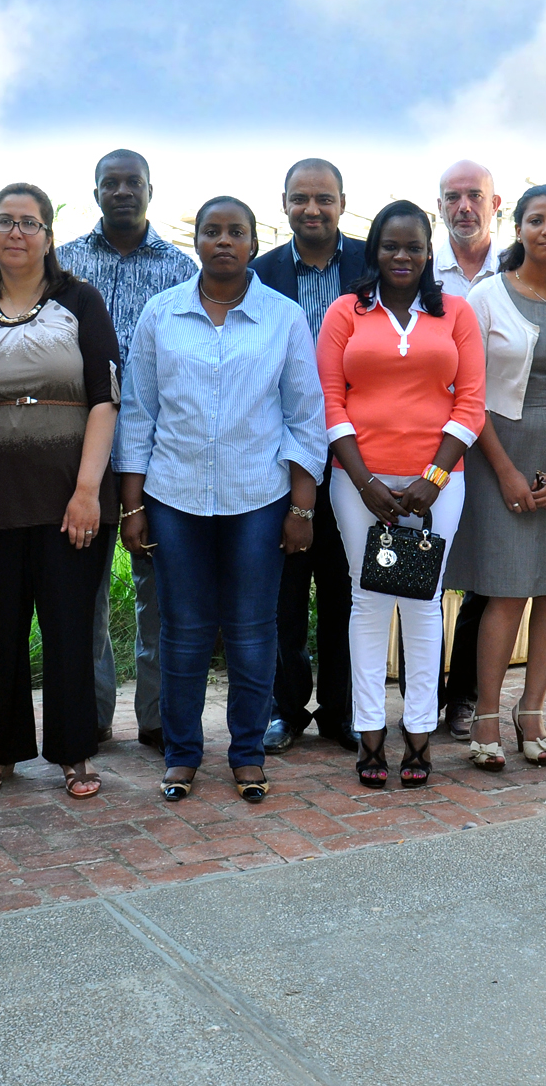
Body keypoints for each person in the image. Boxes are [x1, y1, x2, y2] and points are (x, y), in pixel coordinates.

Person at [118, 196, 325, 803]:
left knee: (253, 631)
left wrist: (301, 507)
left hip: (258, 497)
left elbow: (305, 420)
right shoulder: (162, 316)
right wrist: (132, 506)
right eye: (212, 231)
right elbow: (138, 414)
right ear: (197, 244)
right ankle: (182, 755)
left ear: (255, 244)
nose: (224, 241)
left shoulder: (283, 319)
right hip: (175, 497)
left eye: (237, 232)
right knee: (182, 629)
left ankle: (247, 752)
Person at [0, 184, 121, 800]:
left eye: (30, 222)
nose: (16, 232)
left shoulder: (80, 301)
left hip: (70, 496)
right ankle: (1, 753)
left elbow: (104, 400)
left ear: (48, 234)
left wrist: (88, 490)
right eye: (4, 222)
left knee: (69, 627)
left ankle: (75, 755)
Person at [319, 200, 486, 787]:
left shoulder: (457, 315)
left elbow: (471, 403)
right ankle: (370, 734)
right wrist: (365, 481)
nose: (402, 255)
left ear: (428, 251)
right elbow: (330, 400)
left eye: (413, 245)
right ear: (374, 249)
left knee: (422, 603)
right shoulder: (346, 312)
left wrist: (431, 481)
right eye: (391, 245)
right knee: (367, 602)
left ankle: (419, 733)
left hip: (436, 484)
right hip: (357, 482)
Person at [445, 184, 546, 770]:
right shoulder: (485, 298)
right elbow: (468, 393)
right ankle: (486, 714)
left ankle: (531, 712)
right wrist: (506, 473)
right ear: (517, 228)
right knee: (506, 589)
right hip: (496, 456)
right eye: (536, 220)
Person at [57, 149, 197, 752]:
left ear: (149, 190)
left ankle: (158, 717)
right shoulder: (60, 264)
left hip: (155, 452)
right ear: (94, 193)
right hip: (76, 454)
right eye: (109, 183)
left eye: (131, 183)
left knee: (157, 590)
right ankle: (89, 715)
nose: (121, 192)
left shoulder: (179, 268)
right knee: (82, 591)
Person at [252, 158, 367, 755]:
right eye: (301, 198)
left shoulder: (373, 267)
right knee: (285, 595)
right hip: (281, 460)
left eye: (324, 198)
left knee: (347, 590)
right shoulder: (259, 271)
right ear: (285, 203)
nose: (313, 208)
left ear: (343, 203)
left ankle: (343, 712)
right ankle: (285, 709)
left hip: (358, 460)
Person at [435, 159, 506, 739]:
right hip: (430, 446)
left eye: (474, 196)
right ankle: (425, 696)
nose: (464, 207)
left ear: (495, 203)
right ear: (440, 206)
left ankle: (462, 697)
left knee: (484, 577)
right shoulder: (415, 271)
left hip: (496, 445)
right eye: (453, 197)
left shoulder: (518, 272)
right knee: (423, 571)